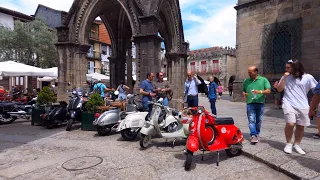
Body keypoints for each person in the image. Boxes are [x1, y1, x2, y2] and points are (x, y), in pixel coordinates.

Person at [277, 60, 317, 154]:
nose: (286, 69)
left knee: (300, 126)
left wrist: (314, 105)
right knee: (290, 123)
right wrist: (283, 78)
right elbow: (279, 89)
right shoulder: (286, 77)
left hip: (303, 105)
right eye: (286, 67)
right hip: (288, 103)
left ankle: (297, 144)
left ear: (295, 68)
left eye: (288, 67)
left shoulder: (308, 77)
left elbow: (316, 90)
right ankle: (288, 143)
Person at [242, 66, 271, 144]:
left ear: (256, 72)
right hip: (250, 103)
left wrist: (260, 92)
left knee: (259, 120)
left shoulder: (263, 80)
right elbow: (243, 91)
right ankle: (253, 135)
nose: (249, 74)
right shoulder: (246, 81)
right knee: (251, 120)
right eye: (248, 72)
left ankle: (257, 133)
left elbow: (268, 91)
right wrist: (244, 93)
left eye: (250, 72)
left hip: (260, 103)